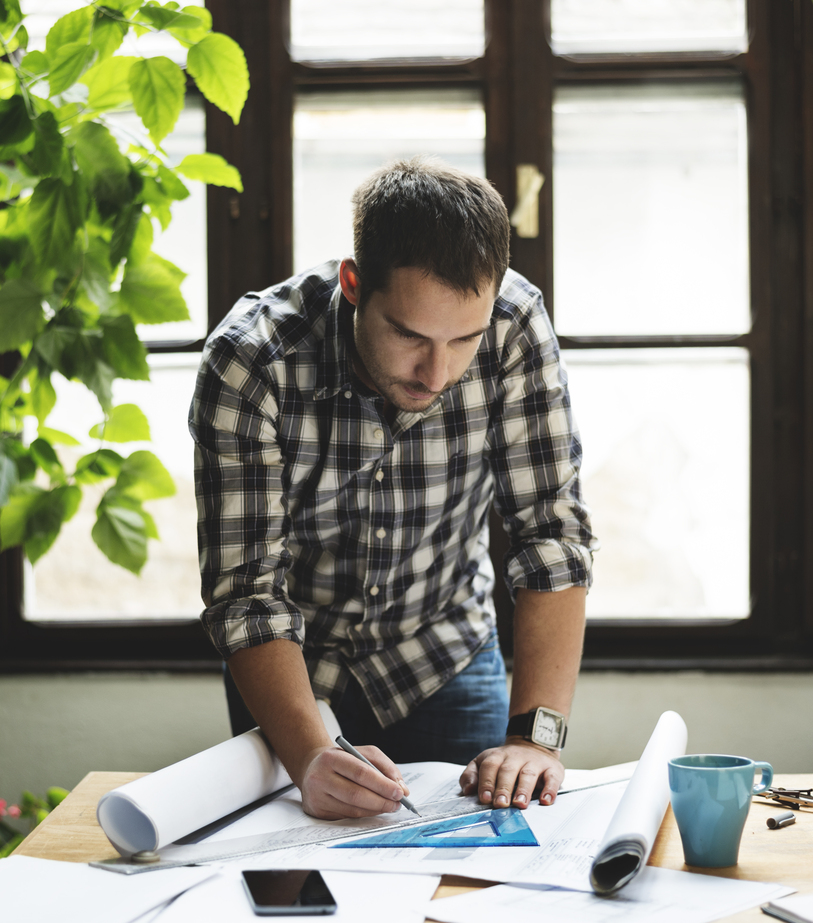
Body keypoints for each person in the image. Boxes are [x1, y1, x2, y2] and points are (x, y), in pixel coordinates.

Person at [190, 157, 594, 821]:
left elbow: (551, 536)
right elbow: (247, 597)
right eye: (409, 334)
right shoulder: (250, 361)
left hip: (445, 657)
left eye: (463, 339)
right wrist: (310, 752)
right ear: (354, 284)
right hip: (293, 673)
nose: (437, 371)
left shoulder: (515, 324)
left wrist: (534, 738)